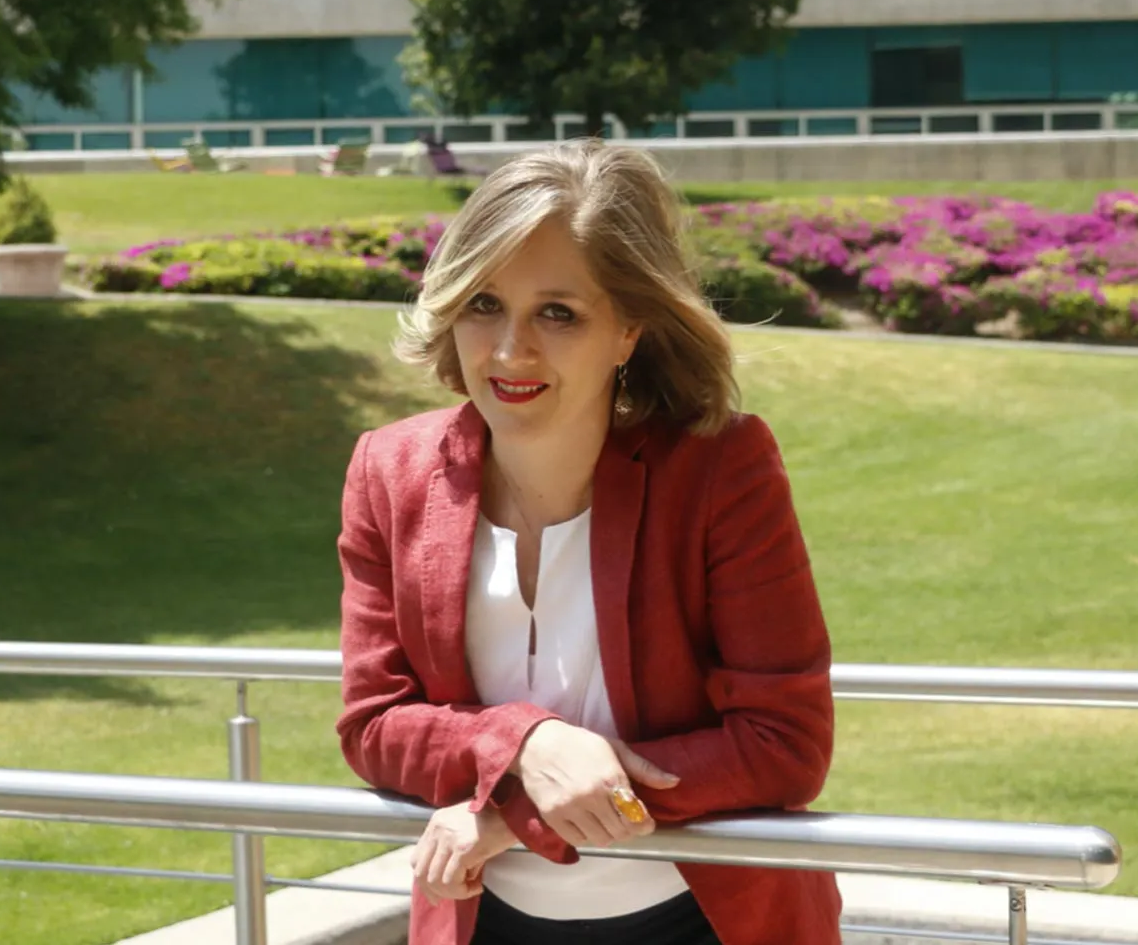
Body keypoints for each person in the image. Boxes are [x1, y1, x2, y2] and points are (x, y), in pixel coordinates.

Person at [335, 141, 839, 945]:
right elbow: (374, 724)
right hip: (484, 923)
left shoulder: (720, 470)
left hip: (704, 923)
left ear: (629, 329)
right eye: (484, 304)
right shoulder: (388, 471)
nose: (509, 351)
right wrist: (524, 740)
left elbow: (785, 746)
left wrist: (520, 817)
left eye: (558, 313)